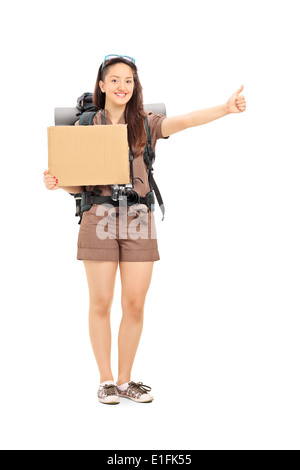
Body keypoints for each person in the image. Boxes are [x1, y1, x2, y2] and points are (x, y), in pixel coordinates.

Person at [43, 54, 247, 405]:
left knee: (135, 303)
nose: (123, 86)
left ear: (134, 87)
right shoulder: (86, 126)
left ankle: (124, 382)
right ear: (102, 85)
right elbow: (77, 186)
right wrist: (57, 183)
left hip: (138, 217)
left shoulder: (145, 122)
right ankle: (105, 380)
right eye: (116, 80)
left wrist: (226, 108)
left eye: (129, 80)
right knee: (102, 302)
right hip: (99, 217)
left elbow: (186, 121)